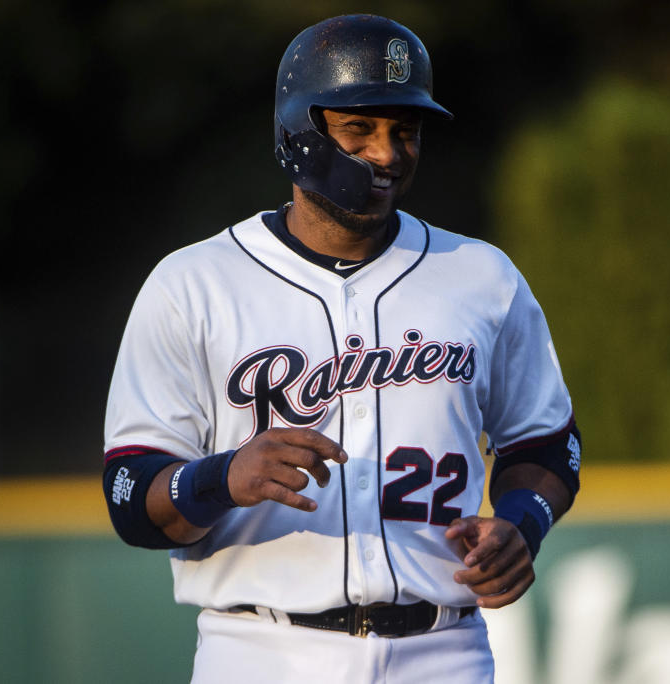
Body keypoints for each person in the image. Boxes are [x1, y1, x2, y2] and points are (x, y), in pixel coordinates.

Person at [103, 13, 581, 684]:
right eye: (360, 129)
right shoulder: (195, 284)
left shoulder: (481, 277)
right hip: (261, 651)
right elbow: (129, 495)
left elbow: (546, 444)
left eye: (405, 131)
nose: (387, 154)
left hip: (443, 653)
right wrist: (220, 477)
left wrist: (523, 524)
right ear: (298, 132)